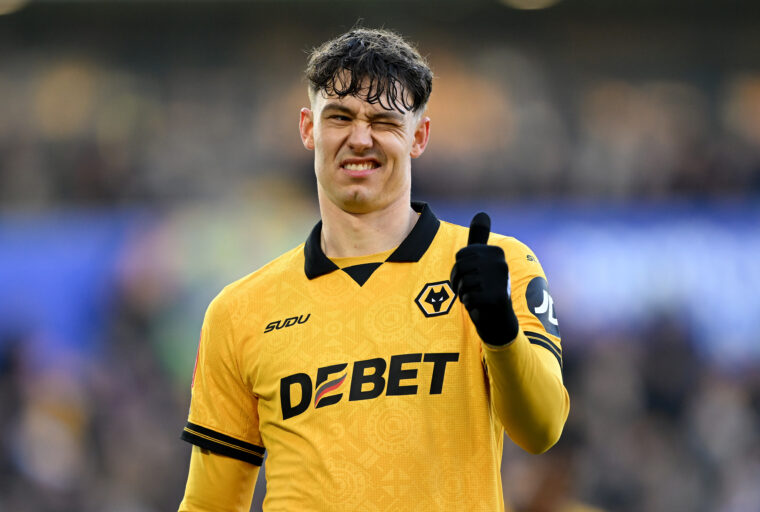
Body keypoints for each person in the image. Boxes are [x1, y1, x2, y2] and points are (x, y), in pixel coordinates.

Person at [178, 27, 569, 512]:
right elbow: (210, 504)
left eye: (384, 121)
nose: (359, 138)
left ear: (419, 136)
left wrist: (500, 332)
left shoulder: (496, 265)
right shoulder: (239, 312)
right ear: (307, 128)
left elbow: (543, 429)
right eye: (339, 117)